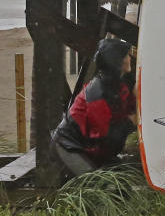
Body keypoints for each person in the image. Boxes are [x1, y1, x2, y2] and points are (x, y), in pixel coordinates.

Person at [49, 38, 136, 176]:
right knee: (99, 186)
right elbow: (106, 137)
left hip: (87, 148)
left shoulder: (117, 86)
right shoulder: (97, 94)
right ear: (117, 62)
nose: (129, 58)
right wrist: (130, 123)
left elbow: (126, 110)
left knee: (125, 178)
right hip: (68, 148)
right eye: (126, 55)